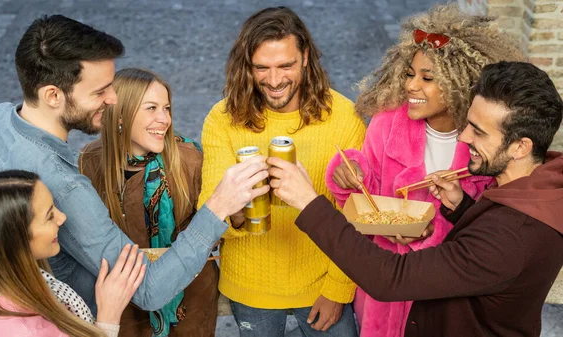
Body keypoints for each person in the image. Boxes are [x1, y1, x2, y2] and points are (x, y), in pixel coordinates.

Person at [0, 14, 270, 317]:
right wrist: (218, 207)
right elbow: (148, 289)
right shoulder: (64, 187)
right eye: (100, 92)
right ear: (52, 95)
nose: (114, 99)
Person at [269, 61, 563, 337]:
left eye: (479, 132)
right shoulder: (537, 189)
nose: (464, 138)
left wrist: (308, 203)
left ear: (520, 147)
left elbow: (389, 278)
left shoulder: (511, 236)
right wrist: (461, 209)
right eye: (468, 124)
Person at [324, 4, 525, 336]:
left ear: (461, 83)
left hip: (445, 293)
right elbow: (369, 192)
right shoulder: (387, 123)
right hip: (385, 287)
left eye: (427, 78)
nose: (411, 86)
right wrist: (351, 172)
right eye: (410, 74)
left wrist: (436, 228)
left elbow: (488, 228)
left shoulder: (485, 144)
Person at [197, 6, 365, 336]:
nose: (274, 81)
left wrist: (337, 289)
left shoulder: (345, 116)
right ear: (247, 66)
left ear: (305, 57)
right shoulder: (222, 119)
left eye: (285, 65)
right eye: (262, 68)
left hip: (323, 282)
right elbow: (210, 211)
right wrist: (242, 208)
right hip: (251, 283)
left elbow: (355, 216)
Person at [79, 68, 218, 337]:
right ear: (120, 114)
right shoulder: (90, 162)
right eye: (151, 108)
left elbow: (216, 226)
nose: (164, 119)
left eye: (166, 108)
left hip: (188, 302)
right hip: (125, 303)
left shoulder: (189, 158)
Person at [0, 170, 145, 337]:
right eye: (50, 216)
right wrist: (109, 316)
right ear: (15, 238)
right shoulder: (26, 331)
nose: (62, 218)